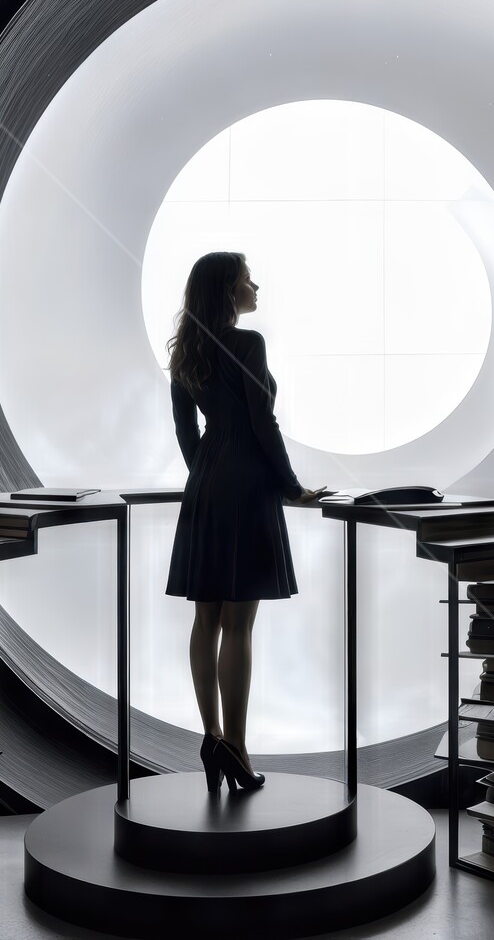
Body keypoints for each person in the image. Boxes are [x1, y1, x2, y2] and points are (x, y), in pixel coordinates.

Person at [164, 252, 325, 793]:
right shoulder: (248, 343)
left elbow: (187, 433)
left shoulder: (186, 354)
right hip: (247, 485)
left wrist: (207, 474)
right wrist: (291, 487)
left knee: (205, 620)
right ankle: (236, 744)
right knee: (239, 624)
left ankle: (212, 738)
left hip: (205, 485)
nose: (256, 286)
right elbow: (262, 419)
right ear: (227, 291)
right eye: (246, 279)